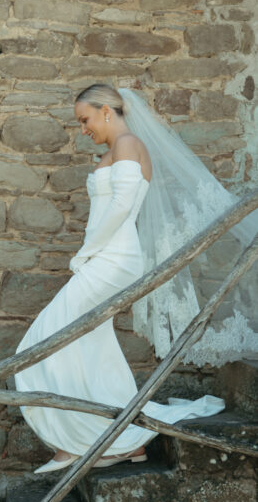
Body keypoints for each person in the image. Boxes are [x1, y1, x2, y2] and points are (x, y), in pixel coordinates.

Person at [13, 84, 245, 473]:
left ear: (107, 110)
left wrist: (86, 253)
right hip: (108, 256)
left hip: (113, 258)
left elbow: (121, 207)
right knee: (88, 346)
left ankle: (90, 441)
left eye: (85, 119)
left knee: (42, 343)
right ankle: (114, 439)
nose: (82, 129)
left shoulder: (127, 144)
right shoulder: (116, 149)